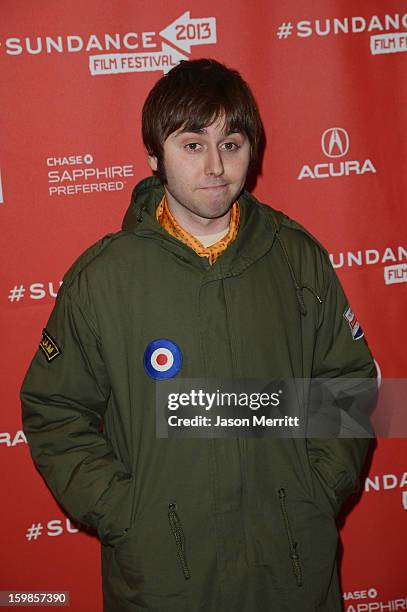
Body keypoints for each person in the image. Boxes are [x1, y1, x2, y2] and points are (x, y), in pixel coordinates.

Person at [21, 58, 376, 612]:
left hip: (292, 571)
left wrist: (317, 489)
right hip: (167, 582)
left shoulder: (296, 258)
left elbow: (348, 381)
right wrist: (128, 513)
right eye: (192, 145)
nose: (215, 166)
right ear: (155, 157)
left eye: (231, 144)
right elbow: (53, 410)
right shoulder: (103, 279)